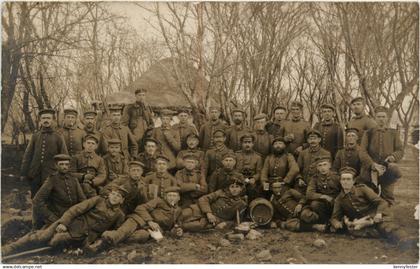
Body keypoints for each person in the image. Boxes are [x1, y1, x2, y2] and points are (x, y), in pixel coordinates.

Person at [2, 186, 127, 257]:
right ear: (109, 194)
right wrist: (63, 223)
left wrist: (97, 242)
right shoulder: (98, 200)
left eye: (118, 196)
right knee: (41, 237)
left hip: (82, 237)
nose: (115, 197)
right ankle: (9, 249)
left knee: (54, 242)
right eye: (114, 194)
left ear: (122, 201)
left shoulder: (119, 215)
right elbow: (75, 210)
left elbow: (113, 232)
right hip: (69, 223)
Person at [330, 167, 408, 245]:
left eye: (348, 179)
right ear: (340, 181)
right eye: (343, 179)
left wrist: (379, 214)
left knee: (386, 227)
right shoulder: (339, 199)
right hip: (362, 223)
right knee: (353, 231)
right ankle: (379, 233)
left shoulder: (362, 189)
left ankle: (405, 240)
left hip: (375, 217)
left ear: (353, 181)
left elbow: (382, 202)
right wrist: (340, 224)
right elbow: (334, 218)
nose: (345, 182)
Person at [101, 186, 184, 246]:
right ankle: (104, 242)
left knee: (142, 236)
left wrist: (177, 231)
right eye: (169, 195)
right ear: (165, 197)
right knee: (123, 232)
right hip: (138, 219)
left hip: (151, 230)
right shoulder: (158, 201)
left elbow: (175, 226)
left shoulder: (178, 210)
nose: (171, 198)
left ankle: (108, 236)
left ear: (179, 198)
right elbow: (140, 208)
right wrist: (150, 221)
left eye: (174, 196)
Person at [360, 106, 404, 205]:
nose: (381, 119)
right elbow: (362, 152)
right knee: (369, 197)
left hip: (387, 168)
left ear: (387, 118)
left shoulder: (393, 133)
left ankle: (387, 214)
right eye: (379, 116)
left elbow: (400, 150)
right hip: (371, 169)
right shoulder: (368, 133)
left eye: (383, 116)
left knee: (388, 197)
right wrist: (372, 164)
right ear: (375, 118)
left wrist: (393, 156)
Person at [20, 108, 68, 197]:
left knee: (49, 198)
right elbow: (28, 155)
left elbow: (64, 157)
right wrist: (23, 172)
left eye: (48, 118)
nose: (46, 120)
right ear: (40, 120)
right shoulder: (35, 136)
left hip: (51, 174)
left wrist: (63, 174)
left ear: (52, 120)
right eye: (44, 118)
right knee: (35, 197)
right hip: (35, 174)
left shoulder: (58, 136)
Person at [32, 154, 86, 230]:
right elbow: (37, 201)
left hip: (73, 216)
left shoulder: (73, 179)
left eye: (67, 164)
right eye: (61, 164)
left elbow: (82, 200)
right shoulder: (52, 180)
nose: (64, 167)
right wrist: (51, 217)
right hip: (58, 217)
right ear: (56, 166)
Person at [180, 175, 248, 232]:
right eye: (232, 187)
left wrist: (225, 223)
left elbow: (236, 221)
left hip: (214, 221)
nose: (234, 189)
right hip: (200, 210)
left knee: (195, 226)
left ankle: (178, 228)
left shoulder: (241, 204)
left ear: (241, 189)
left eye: (237, 187)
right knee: (183, 214)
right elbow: (203, 199)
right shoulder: (221, 192)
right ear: (228, 188)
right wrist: (208, 212)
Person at [300, 156, 341, 226]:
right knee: (315, 204)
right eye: (320, 165)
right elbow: (309, 194)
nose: (323, 168)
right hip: (324, 204)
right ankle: (325, 222)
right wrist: (323, 196)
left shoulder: (336, 177)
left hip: (336, 202)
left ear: (329, 165)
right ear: (317, 168)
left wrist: (336, 200)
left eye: (325, 164)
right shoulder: (314, 179)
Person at [235, 133, 263, 200]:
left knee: (253, 191)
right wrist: (242, 179)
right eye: (245, 142)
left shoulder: (258, 157)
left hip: (251, 181)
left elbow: (259, 172)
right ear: (241, 143)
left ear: (253, 144)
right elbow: (233, 170)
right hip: (238, 180)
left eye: (249, 142)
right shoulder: (236, 155)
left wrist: (254, 178)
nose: (247, 144)